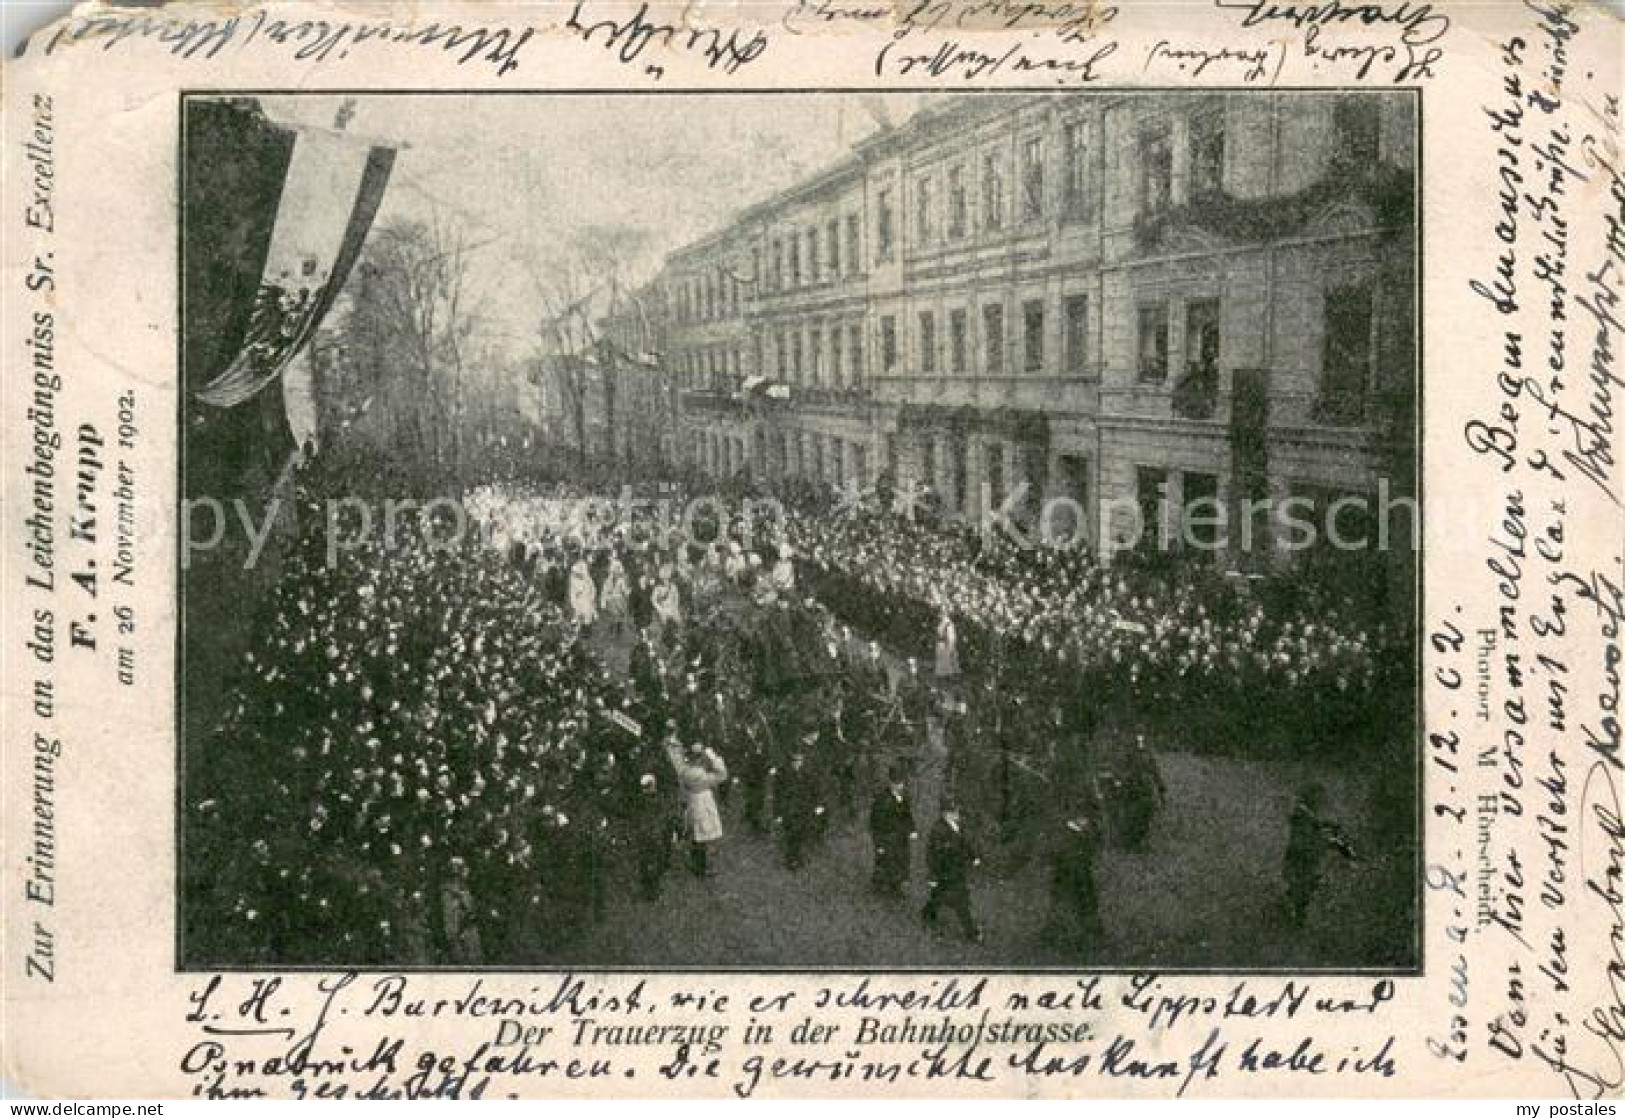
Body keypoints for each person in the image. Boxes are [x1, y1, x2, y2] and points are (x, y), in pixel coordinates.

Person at [1282, 783, 1356, 928]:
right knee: (1303, 885)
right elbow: (1323, 834)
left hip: (1304, 860)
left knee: (1306, 886)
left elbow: (1325, 833)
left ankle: (1296, 907)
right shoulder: (1304, 819)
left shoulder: (1305, 819)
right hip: (1301, 859)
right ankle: (1296, 907)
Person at [922, 799, 980, 941]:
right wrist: (933, 876)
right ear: (946, 814)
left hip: (956, 872)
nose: (958, 814)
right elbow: (932, 856)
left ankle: (927, 914)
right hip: (944, 873)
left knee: (947, 899)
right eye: (955, 812)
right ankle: (971, 933)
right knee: (959, 902)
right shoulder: (938, 831)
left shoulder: (957, 827)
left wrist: (973, 856)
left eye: (957, 811)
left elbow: (965, 843)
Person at [671, 738, 728, 878]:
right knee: (703, 835)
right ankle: (701, 868)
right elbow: (723, 775)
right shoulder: (703, 776)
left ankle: (696, 864)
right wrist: (714, 757)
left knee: (695, 834)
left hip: (692, 801)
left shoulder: (684, 772)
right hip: (704, 803)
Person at [1048, 811, 1103, 952]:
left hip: (1073, 836)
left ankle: (1083, 931)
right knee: (1068, 885)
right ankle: (1066, 930)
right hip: (1066, 835)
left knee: (1080, 884)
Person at [869, 763, 914, 899]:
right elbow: (875, 824)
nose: (900, 786)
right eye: (897, 783)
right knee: (886, 862)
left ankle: (896, 887)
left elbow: (907, 815)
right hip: (887, 838)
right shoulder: (882, 800)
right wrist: (879, 843)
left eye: (901, 783)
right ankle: (880, 885)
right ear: (891, 784)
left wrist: (912, 828)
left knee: (900, 862)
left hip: (900, 837)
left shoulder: (904, 799)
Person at [631, 773, 679, 901]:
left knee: (646, 863)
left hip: (646, 835)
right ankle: (653, 890)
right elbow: (668, 818)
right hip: (656, 836)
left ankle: (648, 889)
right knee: (656, 862)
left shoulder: (638, 802)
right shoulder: (660, 801)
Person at [568, 554, 598, 627]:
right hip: (577, 595)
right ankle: (579, 622)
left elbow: (591, 586)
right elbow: (572, 588)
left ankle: (586, 625)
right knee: (577, 609)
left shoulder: (586, 576)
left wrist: (591, 594)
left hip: (585, 595)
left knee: (587, 609)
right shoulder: (573, 578)